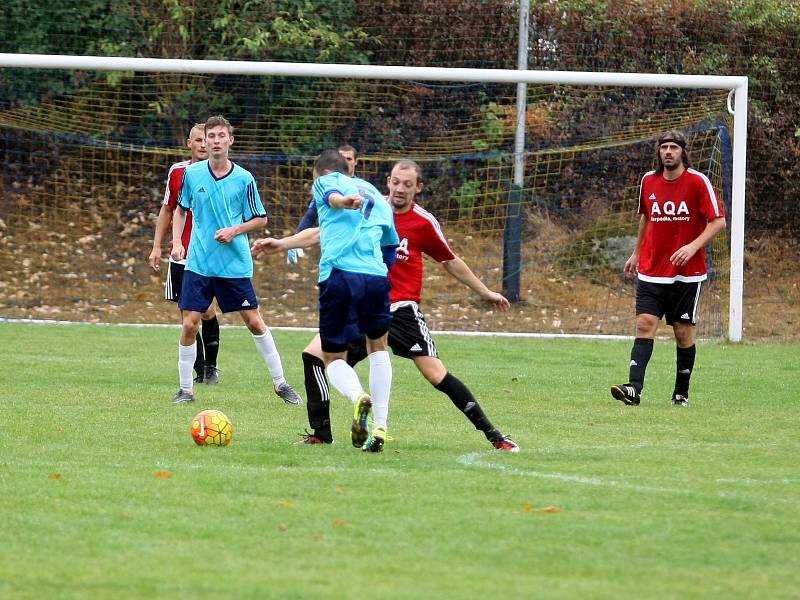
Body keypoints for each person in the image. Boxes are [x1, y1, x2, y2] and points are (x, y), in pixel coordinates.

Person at [253, 160, 519, 453]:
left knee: (435, 373)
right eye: (395, 182)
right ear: (388, 181)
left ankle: (494, 435)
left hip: (401, 307)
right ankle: (323, 433)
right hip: (367, 299)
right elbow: (321, 231)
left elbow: (450, 261)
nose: (399, 189)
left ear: (418, 188)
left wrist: (485, 292)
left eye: (407, 184)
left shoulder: (422, 221)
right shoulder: (371, 204)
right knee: (313, 356)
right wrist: (284, 243)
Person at [257, 149, 399, 452]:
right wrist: (283, 244)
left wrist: (342, 201)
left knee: (332, 358)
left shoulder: (325, 181)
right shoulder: (377, 197)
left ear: (318, 173)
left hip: (339, 277)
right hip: (375, 280)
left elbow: (333, 196)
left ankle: (358, 397)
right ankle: (382, 426)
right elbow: (389, 248)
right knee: (378, 347)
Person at [169, 115, 302, 406]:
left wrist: (235, 230)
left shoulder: (244, 179)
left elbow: (261, 218)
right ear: (205, 141)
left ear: (230, 140)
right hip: (199, 263)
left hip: (233, 265)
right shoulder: (192, 175)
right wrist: (178, 242)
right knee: (190, 324)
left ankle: (281, 383)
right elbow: (180, 211)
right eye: (210, 136)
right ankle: (185, 390)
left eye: (220, 136)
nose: (215, 141)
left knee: (254, 322)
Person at [610, 130, 726, 407]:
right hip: (651, 269)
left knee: (683, 332)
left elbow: (718, 221)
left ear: (683, 152)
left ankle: (680, 393)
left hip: (688, 274)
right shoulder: (648, 181)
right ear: (659, 152)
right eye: (664, 147)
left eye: (674, 147)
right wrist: (637, 253)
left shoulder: (698, 182)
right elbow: (645, 218)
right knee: (644, 324)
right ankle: (633, 389)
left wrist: (692, 246)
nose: (668, 152)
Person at [148, 124, 221, 385]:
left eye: (207, 139)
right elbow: (168, 210)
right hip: (181, 255)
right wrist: (157, 246)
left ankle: (211, 367)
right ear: (189, 143)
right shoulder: (178, 172)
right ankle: (200, 371)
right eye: (198, 140)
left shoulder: (223, 173)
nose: (203, 144)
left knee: (208, 310)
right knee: (187, 317)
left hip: (210, 255)